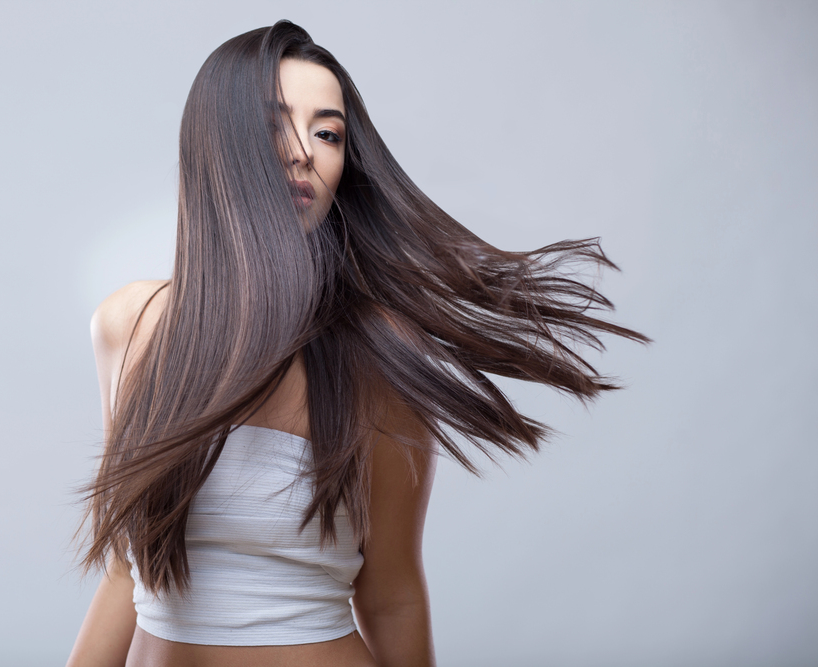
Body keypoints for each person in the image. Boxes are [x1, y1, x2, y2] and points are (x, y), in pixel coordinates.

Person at [66, 20, 648, 667]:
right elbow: (126, 566)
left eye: (327, 133)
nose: (304, 152)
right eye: (275, 124)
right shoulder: (129, 323)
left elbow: (393, 592)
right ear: (216, 145)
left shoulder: (377, 350)